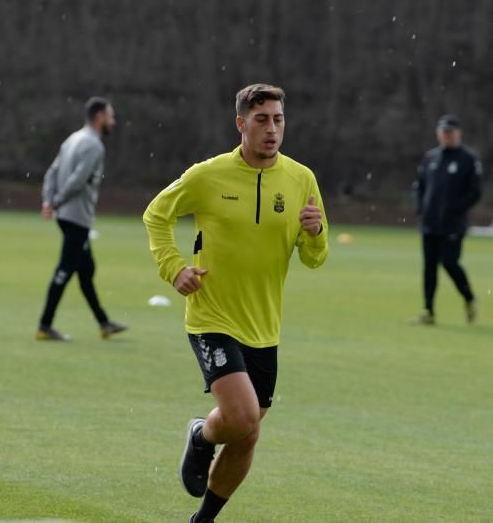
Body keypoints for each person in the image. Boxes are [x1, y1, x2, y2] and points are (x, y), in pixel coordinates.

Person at [143, 84, 328, 522]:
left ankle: (203, 517)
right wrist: (174, 268)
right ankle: (203, 437)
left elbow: (314, 259)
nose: (272, 129)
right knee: (243, 414)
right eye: (262, 119)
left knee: (247, 432)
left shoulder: (302, 179)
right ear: (241, 123)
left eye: (278, 119)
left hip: (264, 326)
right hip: (213, 316)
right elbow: (156, 214)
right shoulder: (207, 175)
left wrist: (317, 234)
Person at [36, 97, 128, 341]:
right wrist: (54, 202)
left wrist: (49, 200)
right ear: (99, 117)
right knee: (65, 270)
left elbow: (52, 172)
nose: (113, 121)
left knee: (86, 269)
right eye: (110, 116)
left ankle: (104, 322)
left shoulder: (72, 139)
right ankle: (44, 326)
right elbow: (77, 180)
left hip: (67, 215)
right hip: (76, 217)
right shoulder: (94, 146)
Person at [414, 114, 482, 325]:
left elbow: (475, 192)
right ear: (438, 133)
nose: (446, 136)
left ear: (458, 133)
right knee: (429, 268)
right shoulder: (430, 158)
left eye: (450, 132)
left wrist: (455, 210)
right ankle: (428, 310)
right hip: (430, 223)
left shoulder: (468, 159)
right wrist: (421, 208)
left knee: (450, 263)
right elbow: (419, 186)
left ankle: (469, 298)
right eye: (443, 132)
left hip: (453, 224)